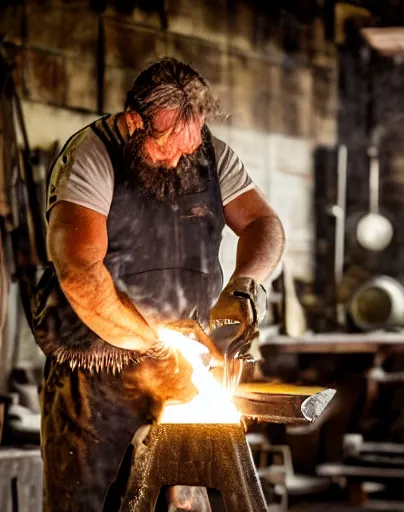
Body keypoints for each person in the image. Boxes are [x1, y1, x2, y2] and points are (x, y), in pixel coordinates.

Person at [32, 57, 286, 511]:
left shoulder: (209, 155)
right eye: (169, 147)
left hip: (177, 371)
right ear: (135, 122)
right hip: (95, 376)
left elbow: (264, 223)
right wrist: (156, 341)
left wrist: (246, 282)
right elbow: (79, 271)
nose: (182, 161)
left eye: (192, 146)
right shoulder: (91, 156)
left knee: (182, 505)